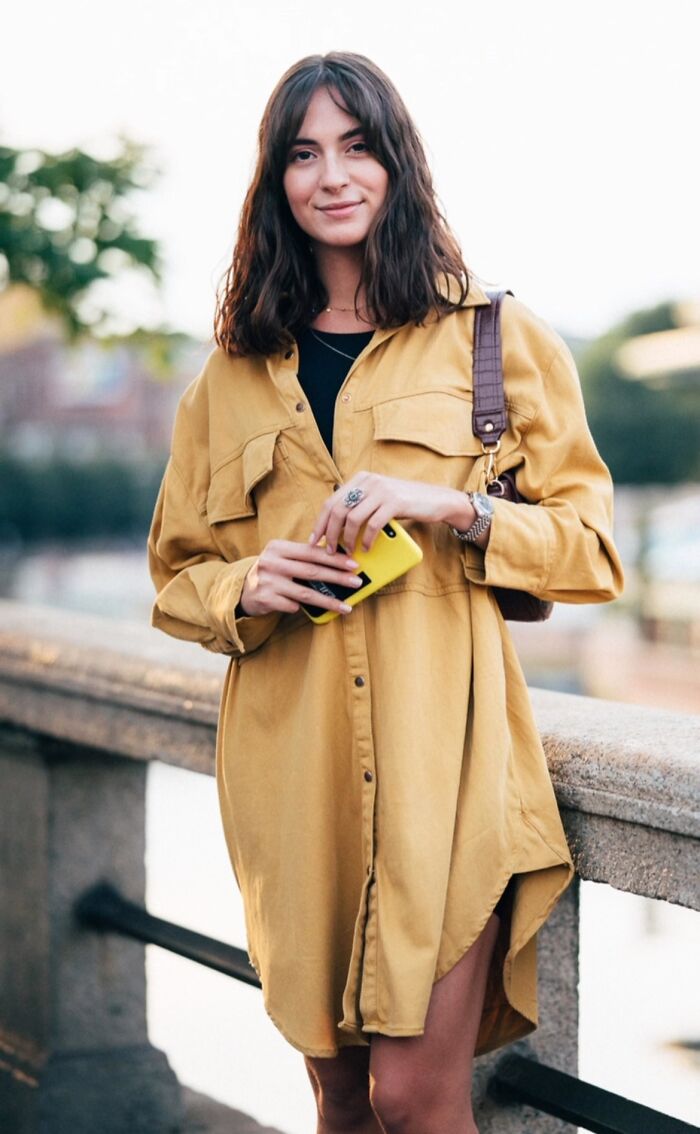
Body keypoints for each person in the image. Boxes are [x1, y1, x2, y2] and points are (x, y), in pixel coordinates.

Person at [147, 51, 624, 1134]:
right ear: (274, 184)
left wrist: (452, 507)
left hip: (446, 776)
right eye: (303, 154)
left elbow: (594, 551)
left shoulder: (493, 338)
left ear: (398, 163)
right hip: (290, 778)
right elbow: (174, 581)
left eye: (356, 147)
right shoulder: (227, 376)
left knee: (414, 1096)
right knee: (339, 1102)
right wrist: (249, 581)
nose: (332, 176)